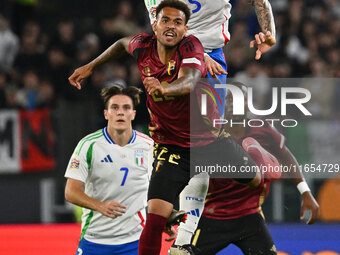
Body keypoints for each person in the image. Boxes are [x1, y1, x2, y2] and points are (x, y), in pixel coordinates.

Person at [68, 1, 263, 254]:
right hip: (171, 147)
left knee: (256, 180)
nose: (171, 27)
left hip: (208, 142)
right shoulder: (142, 46)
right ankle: (183, 239)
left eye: (178, 23)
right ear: (155, 25)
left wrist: (164, 88)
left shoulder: (192, 47)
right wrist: (90, 66)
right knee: (155, 218)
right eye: (166, 21)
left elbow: (189, 81)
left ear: (186, 30)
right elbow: (121, 44)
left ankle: (228, 211)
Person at [145, 0, 277, 253]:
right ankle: (175, 224)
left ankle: (184, 239)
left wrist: (269, 33)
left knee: (205, 144)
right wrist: (197, 54)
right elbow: (161, 27)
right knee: (180, 143)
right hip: (171, 55)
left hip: (213, 58)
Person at [192, 82, 320, 255]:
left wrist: (305, 191)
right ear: (220, 103)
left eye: (240, 99)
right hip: (212, 217)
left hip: (250, 217)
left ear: (248, 103)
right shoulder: (208, 134)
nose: (234, 104)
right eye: (229, 99)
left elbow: (286, 157)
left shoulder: (264, 129)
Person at [64, 86, 155, 255]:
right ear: (106, 114)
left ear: (133, 114)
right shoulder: (89, 145)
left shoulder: (148, 146)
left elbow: (158, 188)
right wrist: (100, 206)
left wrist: (165, 219)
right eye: (115, 107)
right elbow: (71, 192)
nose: (120, 112)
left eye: (126, 108)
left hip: (135, 241)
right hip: (95, 239)